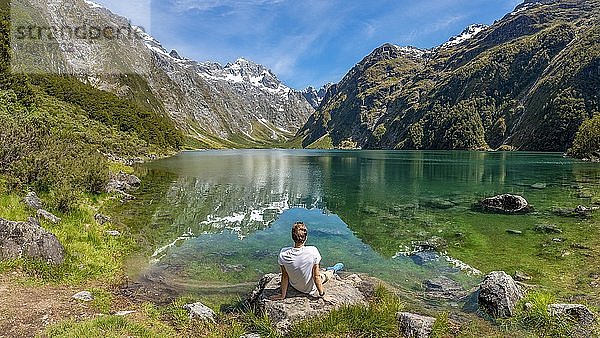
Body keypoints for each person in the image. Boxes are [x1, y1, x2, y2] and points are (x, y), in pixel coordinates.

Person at [270, 221, 343, 302]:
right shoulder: (313, 251)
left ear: (292, 237)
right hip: (310, 289)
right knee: (325, 276)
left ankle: (329, 270)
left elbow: (285, 276)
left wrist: (283, 295)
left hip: (295, 286)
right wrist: (323, 295)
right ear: (306, 237)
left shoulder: (283, 253)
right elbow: (316, 277)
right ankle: (332, 269)